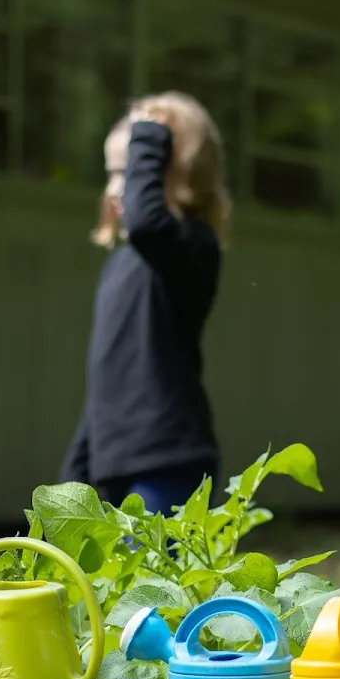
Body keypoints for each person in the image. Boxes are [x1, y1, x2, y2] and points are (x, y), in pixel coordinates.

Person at [61, 91, 229, 514]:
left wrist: (152, 127)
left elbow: (148, 222)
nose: (119, 187)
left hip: (168, 463)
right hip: (113, 464)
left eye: (134, 169)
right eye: (113, 172)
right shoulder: (121, 264)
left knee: (156, 583)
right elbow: (109, 378)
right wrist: (75, 471)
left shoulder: (192, 247)